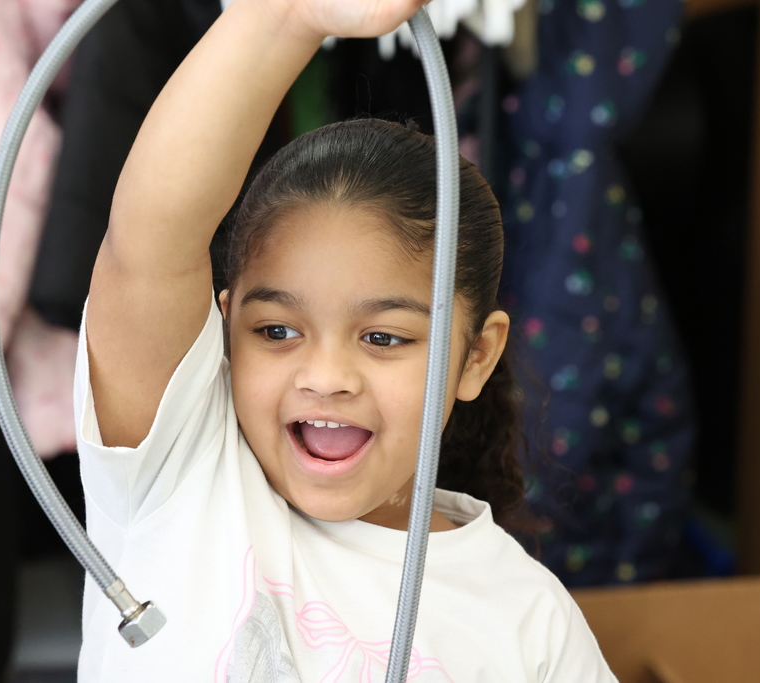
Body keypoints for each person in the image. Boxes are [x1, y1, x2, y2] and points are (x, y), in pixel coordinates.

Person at [75, 0, 617, 680]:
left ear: (476, 355)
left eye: (384, 337)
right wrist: (285, 15)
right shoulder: (177, 474)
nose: (326, 374)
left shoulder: (529, 617)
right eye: (276, 330)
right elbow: (149, 241)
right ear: (222, 330)